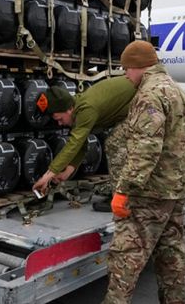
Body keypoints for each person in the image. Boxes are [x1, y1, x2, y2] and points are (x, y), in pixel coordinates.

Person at [102, 40, 185, 304]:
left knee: (126, 256)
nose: (125, 75)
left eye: (126, 69)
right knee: (172, 251)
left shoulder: (149, 95)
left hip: (150, 192)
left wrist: (123, 190)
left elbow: (146, 149)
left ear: (138, 67)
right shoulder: (179, 92)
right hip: (176, 189)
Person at [32, 76, 137, 212]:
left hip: (143, 103)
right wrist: (66, 173)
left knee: (115, 144)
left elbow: (74, 144)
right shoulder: (78, 108)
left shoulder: (86, 109)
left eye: (59, 118)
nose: (59, 123)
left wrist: (47, 176)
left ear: (69, 109)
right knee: (115, 141)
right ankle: (122, 193)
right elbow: (81, 143)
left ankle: (122, 199)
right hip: (132, 108)